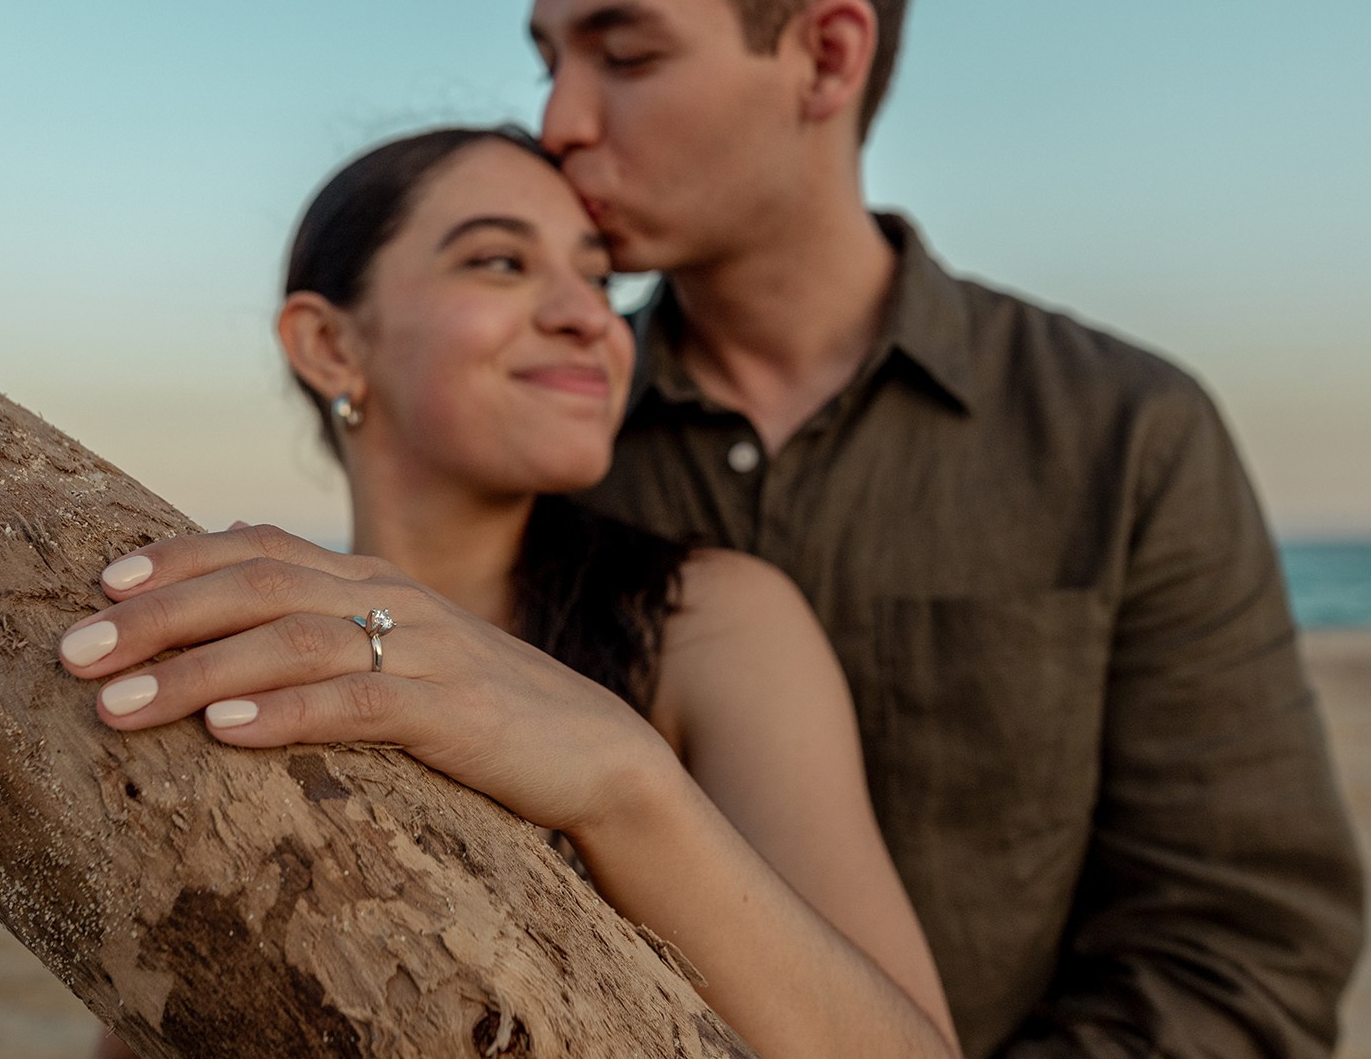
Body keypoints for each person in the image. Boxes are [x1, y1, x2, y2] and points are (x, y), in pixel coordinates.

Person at [527, 0, 1365, 1057]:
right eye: (550, 62)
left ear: (826, 54)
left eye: (624, 55)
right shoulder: (530, 450)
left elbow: (1241, 945)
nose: (558, 123)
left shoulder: (1125, 434)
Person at [60, 126, 960, 1057]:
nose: (590, 317)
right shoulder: (256, 639)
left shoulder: (710, 620)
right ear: (329, 343)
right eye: (500, 262)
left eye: (601, 279)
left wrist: (625, 783)